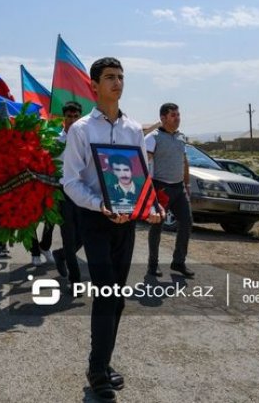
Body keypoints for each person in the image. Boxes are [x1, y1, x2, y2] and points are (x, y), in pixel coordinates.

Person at [62, 57, 163, 402]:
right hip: (96, 220)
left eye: (121, 76)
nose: (117, 82)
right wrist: (99, 206)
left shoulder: (133, 129)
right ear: (94, 85)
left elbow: (140, 177)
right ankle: (95, 369)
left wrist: (150, 205)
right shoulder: (81, 130)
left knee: (117, 297)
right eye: (109, 77)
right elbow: (70, 182)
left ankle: (103, 363)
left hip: (127, 222)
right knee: (106, 294)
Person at [145, 103, 195, 278]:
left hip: (179, 187)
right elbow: (145, 163)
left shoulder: (181, 137)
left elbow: (184, 161)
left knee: (187, 222)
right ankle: (152, 265)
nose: (177, 118)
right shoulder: (153, 138)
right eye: (173, 115)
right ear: (163, 118)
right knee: (157, 227)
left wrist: (187, 185)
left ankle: (178, 262)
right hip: (161, 188)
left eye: (178, 114)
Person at [50, 101, 84, 289]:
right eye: (69, 116)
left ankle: (60, 255)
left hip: (83, 192)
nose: (72, 119)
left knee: (84, 237)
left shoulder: (85, 140)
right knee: (69, 237)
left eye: (75, 116)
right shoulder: (56, 141)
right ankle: (75, 281)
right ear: (64, 118)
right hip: (63, 194)